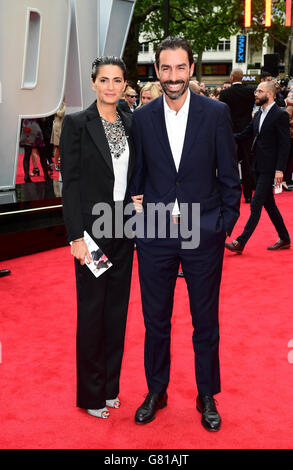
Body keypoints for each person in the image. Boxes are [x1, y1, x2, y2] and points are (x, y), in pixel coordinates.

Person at [130, 36, 241, 432]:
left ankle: (206, 393)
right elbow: (136, 176)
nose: (173, 76)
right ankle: (156, 390)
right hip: (156, 233)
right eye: (166, 68)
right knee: (155, 319)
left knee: (205, 320)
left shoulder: (216, 113)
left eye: (180, 67)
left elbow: (229, 174)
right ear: (156, 71)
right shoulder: (141, 118)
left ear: (191, 68)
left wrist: (222, 224)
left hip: (203, 231)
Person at [60, 56, 135, 419]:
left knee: (116, 311)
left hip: (124, 227)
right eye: (103, 79)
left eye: (116, 80)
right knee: (92, 312)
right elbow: (69, 183)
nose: (110, 86)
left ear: (124, 85)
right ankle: (90, 395)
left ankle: (109, 388)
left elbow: (133, 174)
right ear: (93, 83)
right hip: (91, 233)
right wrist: (75, 236)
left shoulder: (129, 121)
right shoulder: (77, 124)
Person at [225, 80, 291, 254]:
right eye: (256, 91)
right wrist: (224, 137)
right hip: (258, 166)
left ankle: (240, 241)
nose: (255, 94)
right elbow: (244, 134)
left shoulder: (280, 115)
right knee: (269, 205)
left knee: (256, 204)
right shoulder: (258, 115)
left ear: (269, 94)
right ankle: (284, 237)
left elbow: (285, 145)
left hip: (271, 168)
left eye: (259, 91)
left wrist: (280, 170)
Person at [219, 68, 256, 203]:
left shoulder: (225, 93)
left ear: (232, 77)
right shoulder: (250, 92)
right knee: (247, 163)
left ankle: (231, 194)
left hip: (231, 132)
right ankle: (248, 195)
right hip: (247, 131)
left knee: (230, 164)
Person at [51, 98, 66, 171]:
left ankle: (62, 163)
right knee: (57, 146)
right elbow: (60, 113)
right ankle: (56, 164)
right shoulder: (59, 103)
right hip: (58, 126)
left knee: (63, 146)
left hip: (64, 126)